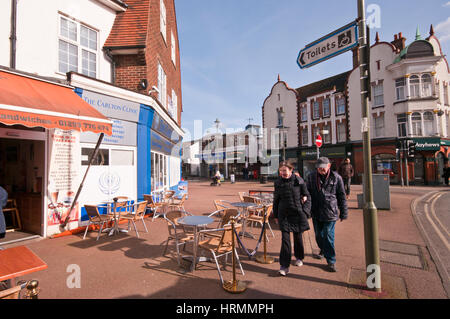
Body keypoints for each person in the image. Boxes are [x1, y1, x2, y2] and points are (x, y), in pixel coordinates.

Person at [306, 157, 348, 272]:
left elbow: (342, 196)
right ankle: (323, 250)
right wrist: (306, 209)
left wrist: (344, 212)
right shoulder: (311, 177)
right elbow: (307, 193)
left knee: (328, 236)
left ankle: (331, 261)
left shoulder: (337, 177)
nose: (321, 169)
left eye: (323, 167)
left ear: (329, 166)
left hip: (330, 212)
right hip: (316, 211)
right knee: (319, 236)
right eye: (319, 168)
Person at [273, 161, 311, 276]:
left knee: (298, 238)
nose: (283, 173)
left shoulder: (299, 181)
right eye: (281, 171)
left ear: (291, 170)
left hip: (297, 213)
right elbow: (276, 200)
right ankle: (284, 266)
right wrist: (275, 215)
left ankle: (299, 257)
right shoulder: (278, 183)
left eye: (285, 170)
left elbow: (307, 196)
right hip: (283, 215)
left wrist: (305, 211)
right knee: (285, 241)